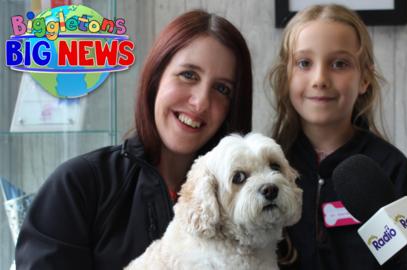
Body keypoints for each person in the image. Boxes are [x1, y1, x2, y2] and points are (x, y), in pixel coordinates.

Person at [15, 10, 252, 270]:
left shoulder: (249, 200)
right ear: (156, 77)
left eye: (222, 89)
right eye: (188, 75)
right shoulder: (78, 185)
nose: (201, 102)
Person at [269, 4, 407, 270]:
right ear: (286, 76)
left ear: (365, 77)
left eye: (339, 64)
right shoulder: (268, 169)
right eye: (304, 63)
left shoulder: (390, 170)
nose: (320, 78)